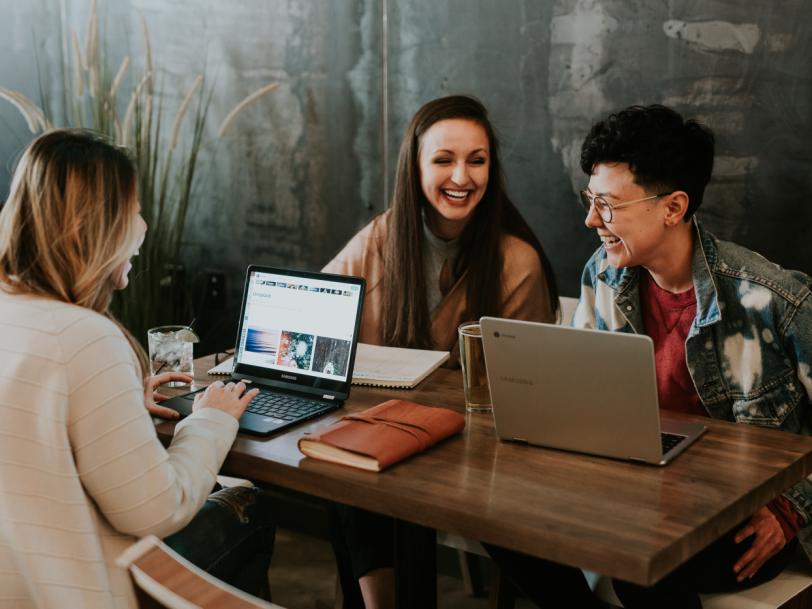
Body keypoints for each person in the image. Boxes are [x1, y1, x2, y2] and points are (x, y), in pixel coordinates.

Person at [487, 104, 812, 609]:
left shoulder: (773, 299)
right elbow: (580, 399)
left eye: (608, 204)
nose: (591, 219)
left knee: (642, 559)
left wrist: (792, 508)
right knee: (498, 517)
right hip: (636, 493)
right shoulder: (605, 274)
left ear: (673, 207)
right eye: (590, 200)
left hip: (737, 514)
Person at [0, 129, 274, 609]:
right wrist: (211, 420)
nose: (143, 225)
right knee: (248, 505)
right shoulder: (85, 337)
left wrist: (121, 399)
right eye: (133, 210)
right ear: (97, 226)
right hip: (75, 591)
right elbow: (154, 510)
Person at [324, 95, 559, 609]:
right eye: (444, 160)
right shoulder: (384, 236)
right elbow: (321, 307)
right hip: (387, 438)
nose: (462, 176)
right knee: (344, 465)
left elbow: (523, 391)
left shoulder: (515, 261)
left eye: (477, 160)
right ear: (415, 166)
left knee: (358, 471)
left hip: (474, 455)